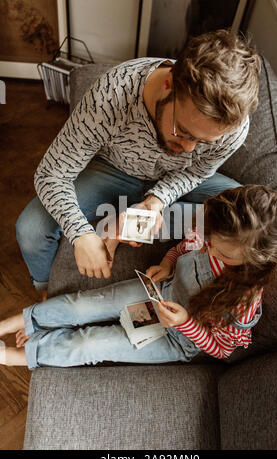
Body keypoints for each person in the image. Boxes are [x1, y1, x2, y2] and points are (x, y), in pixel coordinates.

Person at [15, 29, 261, 299]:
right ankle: (45, 290)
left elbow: (197, 171)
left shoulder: (233, 128)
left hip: (178, 180)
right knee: (31, 228)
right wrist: (80, 233)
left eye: (203, 142)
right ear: (169, 84)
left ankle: (123, 227)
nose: (189, 149)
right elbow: (52, 174)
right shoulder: (110, 95)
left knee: (250, 218)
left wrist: (156, 201)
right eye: (184, 132)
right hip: (113, 170)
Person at [0, 185, 277, 368]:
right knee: (84, 304)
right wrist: (168, 262)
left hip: (176, 338)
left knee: (88, 344)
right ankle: (23, 321)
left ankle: (26, 355)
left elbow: (221, 349)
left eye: (223, 253)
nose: (210, 248)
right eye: (210, 238)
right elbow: (184, 246)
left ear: (254, 261)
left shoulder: (245, 301)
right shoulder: (214, 233)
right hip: (161, 290)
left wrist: (185, 324)